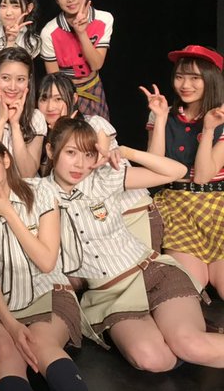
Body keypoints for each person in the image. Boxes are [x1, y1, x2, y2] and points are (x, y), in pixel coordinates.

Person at [47, 117, 224, 372]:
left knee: (190, 345)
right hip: (111, 294)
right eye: (71, 153)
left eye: (88, 154)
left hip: (153, 273)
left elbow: (177, 172)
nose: (79, 163)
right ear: (50, 150)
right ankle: (177, 334)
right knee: (154, 360)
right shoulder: (37, 195)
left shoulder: (103, 178)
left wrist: (126, 152)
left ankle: (183, 336)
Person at [0, 129, 88, 391]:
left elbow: (47, 262)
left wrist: (9, 213)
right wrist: (11, 325)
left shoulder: (40, 191)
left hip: (47, 291)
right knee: (6, 353)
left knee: (41, 345)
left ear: (5, 159)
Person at [38, 72, 160, 251]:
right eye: (44, 99)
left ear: (74, 99)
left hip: (133, 213)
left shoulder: (93, 123)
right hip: (101, 227)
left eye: (58, 99)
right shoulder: (43, 140)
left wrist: (65, 132)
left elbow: (94, 167)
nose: (50, 106)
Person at [143, 45, 224, 296]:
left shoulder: (222, 117)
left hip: (218, 208)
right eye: (180, 77)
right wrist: (160, 119)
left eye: (194, 78)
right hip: (178, 210)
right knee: (189, 288)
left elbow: (202, 176)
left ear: (210, 79)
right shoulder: (163, 114)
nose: (185, 85)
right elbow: (154, 167)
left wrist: (208, 129)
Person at [40, 0, 113, 120]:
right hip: (64, 93)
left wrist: (81, 33)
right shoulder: (49, 32)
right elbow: (55, 80)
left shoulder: (104, 19)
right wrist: (65, 102)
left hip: (93, 88)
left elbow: (96, 64)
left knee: (100, 132)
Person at [0, 47, 46, 178]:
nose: (13, 87)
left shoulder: (36, 117)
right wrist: (1, 121)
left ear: (29, 80)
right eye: (5, 78)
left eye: (20, 79)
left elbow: (28, 173)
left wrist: (15, 125)